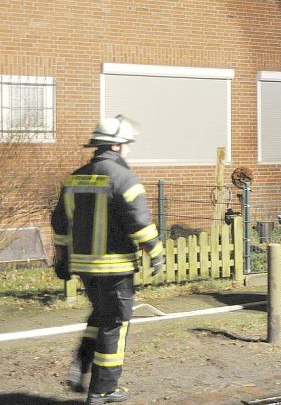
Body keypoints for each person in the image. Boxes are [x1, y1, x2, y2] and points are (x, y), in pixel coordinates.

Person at [50, 115, 165, 405]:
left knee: (100, 316)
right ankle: (103, 390)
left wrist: (62, 258)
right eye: (127, 144)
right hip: (116, 268)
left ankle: (81, 364)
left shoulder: (75, 177)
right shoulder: (124, 178)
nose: (129, 150)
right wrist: (156, 252)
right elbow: (139, 223)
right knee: (116, 325)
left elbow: (60, 223)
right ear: (115, 146)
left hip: (85, 269)